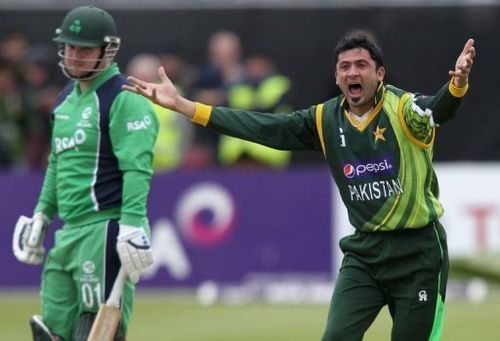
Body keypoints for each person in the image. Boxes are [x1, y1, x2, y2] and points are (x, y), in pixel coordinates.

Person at [125, 33, 476, 340]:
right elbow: (261, 127)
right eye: (344, 67)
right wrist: (186, 106)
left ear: (379, 74)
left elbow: (438, 110)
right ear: (337, 77)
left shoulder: (403, 108)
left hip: (418, 254)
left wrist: (457, 85)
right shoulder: (324, 119)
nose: (352, 72)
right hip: (366, 254)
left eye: (361, 65)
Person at [12, 6, 158, 340]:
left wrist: (132, 223)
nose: (75, 56)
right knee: (52, 329)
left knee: (95, 331)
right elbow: (57, 165)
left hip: (105, 228)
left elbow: (137, 167)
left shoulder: (123, 98)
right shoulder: (64, 101)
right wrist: (42, 216)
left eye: (85, 49)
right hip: (68, 232)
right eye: (70, 47)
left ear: (107, 51)